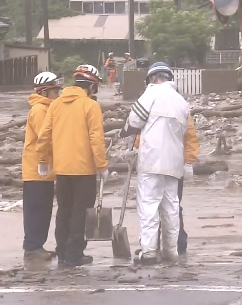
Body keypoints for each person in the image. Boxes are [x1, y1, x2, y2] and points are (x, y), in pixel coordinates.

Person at [36, 64, 109, 267]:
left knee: (63, 210)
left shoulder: (55, 104)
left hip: (61, 169)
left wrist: (43, 161)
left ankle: (62, 252)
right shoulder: (90, 106)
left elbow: (44, 136)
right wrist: (102, 166)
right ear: (92, 86)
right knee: (80, 212)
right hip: (84, 169)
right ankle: (75, 254)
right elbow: (96, 139)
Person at [120, 62, 191, 265]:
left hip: (151, 161)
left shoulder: (151, 93)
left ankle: (149, 251)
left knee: (149, 205)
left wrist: (122, 132)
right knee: (171, 207)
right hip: (174, 163)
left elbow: (134, 122)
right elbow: (184, 134)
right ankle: (171, 252)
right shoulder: (181, 102)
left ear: (153, 78)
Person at [134, 114, 199, 254]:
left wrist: (137, 148)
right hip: (173, 163)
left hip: (152, 163)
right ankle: (175, 244)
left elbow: (141, 132)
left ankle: (152, 246)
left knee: (152, 206)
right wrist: (188, 160)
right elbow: (190, 137)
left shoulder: (150, 105)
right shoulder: (180, 107)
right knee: (172, 204)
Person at [21, 72, 62, 261]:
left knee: (44, 210)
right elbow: (45, 139)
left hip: (44, 171)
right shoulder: (39, 111)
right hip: (36, 170)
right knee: (36, 211)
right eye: (55, 91)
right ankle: (32, 247)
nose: (58, 95)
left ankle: (38, 246)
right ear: (45, 92)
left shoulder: (48, 109)